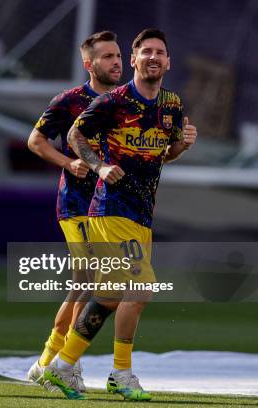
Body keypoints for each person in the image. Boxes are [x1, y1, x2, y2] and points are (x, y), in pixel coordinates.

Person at [45, 28, 198, 400]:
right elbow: (76, 135)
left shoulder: (172, 105)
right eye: (145, 51)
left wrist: (180, 145)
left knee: (126, 292)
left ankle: (109, 370)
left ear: (168, 62)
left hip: (142, 211)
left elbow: (163, 153)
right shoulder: (115, 101)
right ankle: (73, 366)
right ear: (134, 60)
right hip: (110, 206)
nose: (153, 57)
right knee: (134, 287)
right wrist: (97, 167)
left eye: (160, 52)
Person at [25, 31, 122, 394]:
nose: (116, 61)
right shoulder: (70, 101)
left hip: (113, 207)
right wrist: (68, 162)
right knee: (92, 284)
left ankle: (48, 362)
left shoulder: (124, 101)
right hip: (79, 206)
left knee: (87, 285)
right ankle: (60, 365)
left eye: (117, 55)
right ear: (89, 64)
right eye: (107, 56)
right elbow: (35, 141)